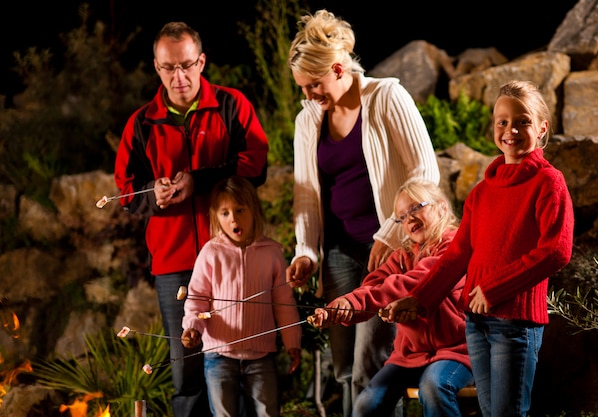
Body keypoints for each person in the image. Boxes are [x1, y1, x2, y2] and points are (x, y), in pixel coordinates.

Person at [384, 80, 575, 417]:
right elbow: (457, 255)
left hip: (516, 324)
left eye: (523, 121)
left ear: (543, 128)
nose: (511, 130)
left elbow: (556, 250)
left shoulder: (549, 181)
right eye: (502, 121)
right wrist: (419, 299)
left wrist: (496, 287)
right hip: (478, 323)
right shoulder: (481, 192)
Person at [284, 9, 440, 417]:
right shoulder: (307, 120)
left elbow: (426, 171)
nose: (308, 95)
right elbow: (305, 195)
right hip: (337, 253)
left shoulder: (387, 97)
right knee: (341, 368)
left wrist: (389, 234)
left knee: (372, 363)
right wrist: (306, 251)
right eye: (302, 88)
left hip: (388, 254)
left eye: (313, 84)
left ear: (338, 68)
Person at [114, 22, 269, 417]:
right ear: (156, 67)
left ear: (201, 61)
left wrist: (200, 180)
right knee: (186, 361)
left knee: (242, 352)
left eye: (186, 65)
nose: (178, 77)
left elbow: (257, 163)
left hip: (234, 255)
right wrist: (155, 193)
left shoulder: (232, 105)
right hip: (174, 261)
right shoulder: (142, 123)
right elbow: (126, 191)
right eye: (168, 68)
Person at [309, 178, 473, 417]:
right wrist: (344, 306)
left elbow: (418, 280)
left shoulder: (455, 246)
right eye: (402, 217)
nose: (409, 219)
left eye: (416, 207)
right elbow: (373, 285)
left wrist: (364, 301)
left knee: (433, 388)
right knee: (366, 405)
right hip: (409, 356)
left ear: (442, 207)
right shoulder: (401, 256)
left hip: (455, 352)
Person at [181, 176, 302, 417]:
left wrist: (292, 343)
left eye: (239, 210)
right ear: (216, 216)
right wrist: (192, 326)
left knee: (268, 413)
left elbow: (284, 303)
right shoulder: (210, 253)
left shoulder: (272, 253)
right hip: (219, 355)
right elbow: (196, 298)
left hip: (261, 357)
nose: (233, 219)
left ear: (254, 210)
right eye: (225, 213)